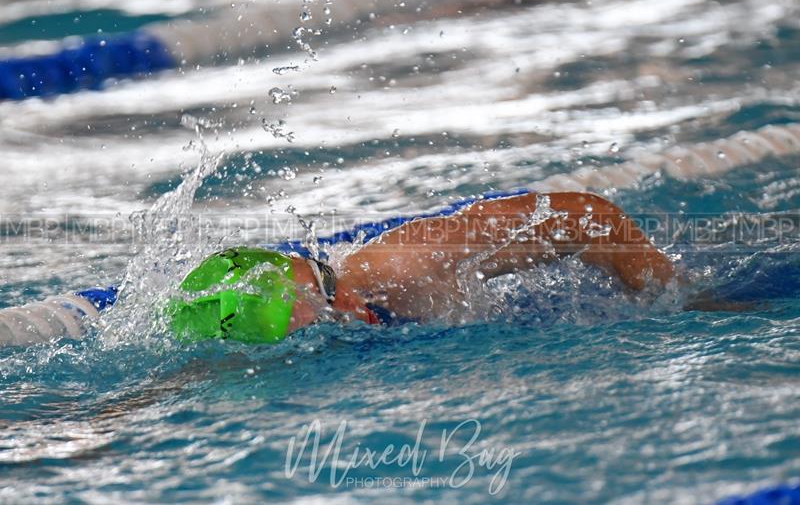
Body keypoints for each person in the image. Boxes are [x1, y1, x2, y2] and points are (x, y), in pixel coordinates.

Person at [168, 191, 675, 343]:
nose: (346, 305)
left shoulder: (403, 262)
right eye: (323, 320)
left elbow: (589, 216)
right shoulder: (243, 352)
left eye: (328, 283)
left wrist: (676, 300)